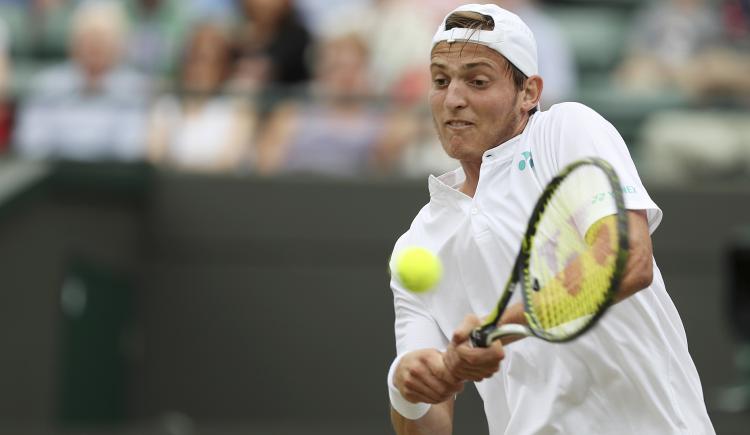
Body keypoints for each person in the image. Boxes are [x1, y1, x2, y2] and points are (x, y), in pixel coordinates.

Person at [387, 4, 715, 434]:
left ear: (529, 93)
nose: (453, 99)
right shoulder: (416, 245)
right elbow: (430, 421)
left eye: (478, 81)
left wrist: (502, 326)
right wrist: (408, 387)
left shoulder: (566, 130)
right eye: (441, 80)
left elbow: (626, 260)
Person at [13, 0, 150, 162]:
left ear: (119, 46)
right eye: (89, 38)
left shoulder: (135, 88)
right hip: (52, 182)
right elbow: (31, 145)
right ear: (73, 43)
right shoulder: (46, 85)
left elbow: (129, 150)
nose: (95, 46)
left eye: (103, 40)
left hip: (114, 183)